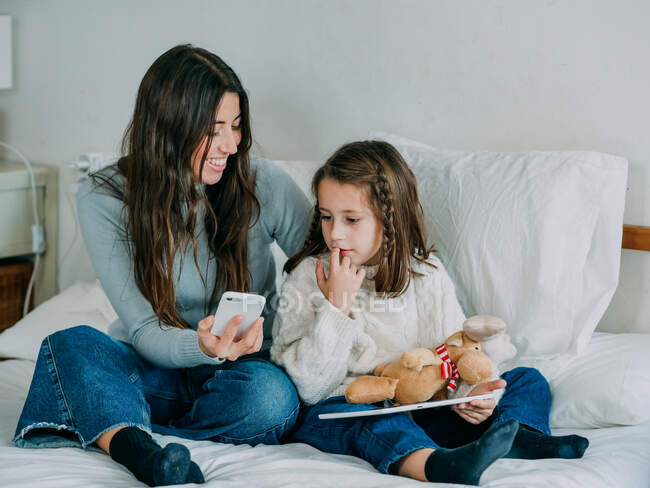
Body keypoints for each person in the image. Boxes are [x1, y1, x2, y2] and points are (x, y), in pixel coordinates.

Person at [14, 44, 311, 487]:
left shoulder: (262, 183)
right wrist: (203, 346)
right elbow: (143, 330)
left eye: (236, 126)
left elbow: (323, 266)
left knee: (272, 398)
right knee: (68, 346)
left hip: (237, 378)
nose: (231, 145)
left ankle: (120, 422)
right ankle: (145, 456)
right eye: (215, 131)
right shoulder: (106, 198)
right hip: (152, 371)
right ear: (171, 128)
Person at [270, 140, 589, 485]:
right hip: (347, 409)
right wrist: (336, 307)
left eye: (352, 219)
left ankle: (518, 438)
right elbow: (310, 390)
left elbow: (455, 354)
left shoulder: (426, 273)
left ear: (390, 220)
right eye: (327, 217)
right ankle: (433, 465)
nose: (335, 234)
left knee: (527, 379)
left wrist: (470, 398)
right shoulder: (307, 277)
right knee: (358, 417)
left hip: (426, 408)